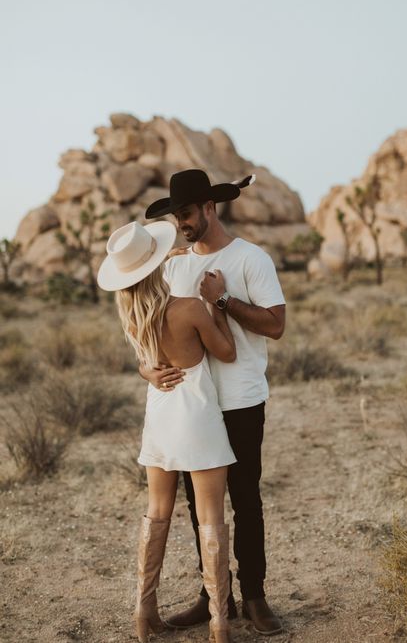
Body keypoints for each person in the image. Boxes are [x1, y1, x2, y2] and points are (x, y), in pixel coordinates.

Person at [139, 169, 286, 636]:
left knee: (246, 499)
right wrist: (147, 368)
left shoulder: (251, 258)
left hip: (240, 398)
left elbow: (275, 325)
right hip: (192, 406)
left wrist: (222, 300)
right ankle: (213, 598)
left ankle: (256, 597)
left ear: (209, 207)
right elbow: (150, 331)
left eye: (186, 213)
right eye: (175, 215)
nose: (180, 222)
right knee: (198, 507)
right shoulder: (173, 266)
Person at [97, 219, 238, 643]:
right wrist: (216, 304)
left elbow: (146, 362)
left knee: (156, 512)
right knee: (211, 516)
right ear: (158, 263)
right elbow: (227, 353)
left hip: (159, 418)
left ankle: (144, 614)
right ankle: (219, 624)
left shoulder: (133, 315)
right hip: (196, 415)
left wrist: (147, 371)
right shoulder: (189, 308)